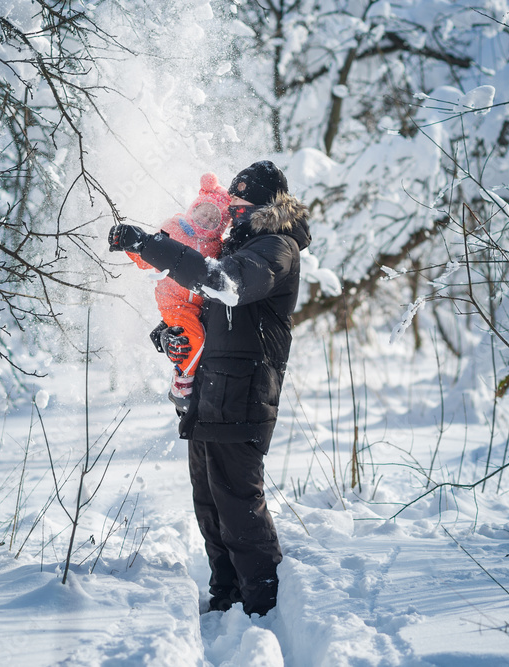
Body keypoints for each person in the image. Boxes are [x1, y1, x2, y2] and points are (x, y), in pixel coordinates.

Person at [108, 160, 311, 616]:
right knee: (211, 505)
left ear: (264, 206)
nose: (231, 210)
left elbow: (226, 286)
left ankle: (263, 606)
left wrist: (153, 246)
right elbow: (210, 314)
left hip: (244, 396)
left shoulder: (275, 247)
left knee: (239, 505)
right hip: (212, 394)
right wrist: (170, 334)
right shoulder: (238, 247)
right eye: (231, 202)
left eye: (241, 203)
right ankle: (226, 597)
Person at [124, 173, 231, 409]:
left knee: (199, 339)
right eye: (204, 211)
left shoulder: (218, 246)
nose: (206, 219)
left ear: (221, 227)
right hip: (175, 303)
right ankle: (181, 382)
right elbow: (147, 257)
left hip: (199, 306)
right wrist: (130, 245)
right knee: (196, 338)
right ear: (194, 207)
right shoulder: (174, 228)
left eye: (214, 219)